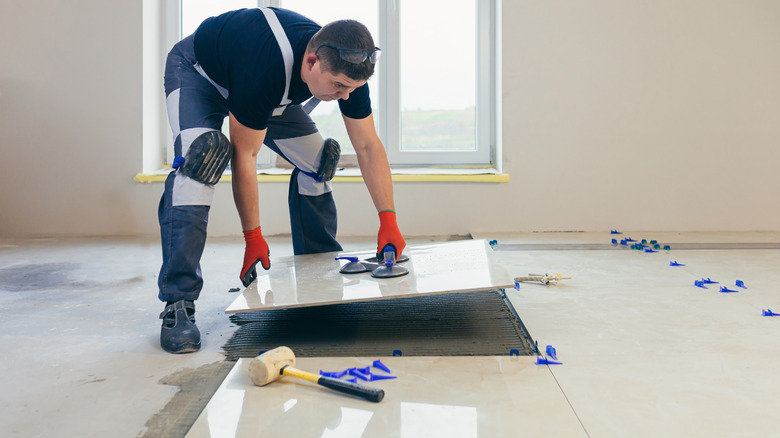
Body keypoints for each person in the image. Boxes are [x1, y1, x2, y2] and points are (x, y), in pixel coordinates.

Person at [157, 7, 406, 354]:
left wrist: (388, 218)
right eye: (338, 86)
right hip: (199, 75)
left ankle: (319, 274)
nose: (345, 95)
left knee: (320, 162)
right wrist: (253, 237)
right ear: (311, 62)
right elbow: (244, 156)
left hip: (264, 92)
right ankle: (178, 303)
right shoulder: (264, 64)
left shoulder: (347, 67)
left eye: (352, 88)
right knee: (202, 160)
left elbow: (367, 144)